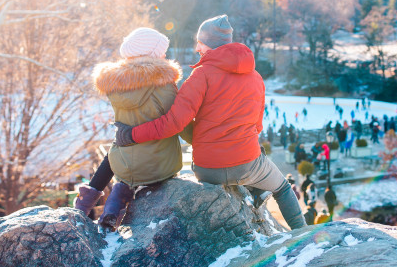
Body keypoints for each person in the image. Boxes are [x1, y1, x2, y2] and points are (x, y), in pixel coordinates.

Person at [114, 15, 306, 230]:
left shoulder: (200, 75)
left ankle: (254, 189)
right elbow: (257, 126)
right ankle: (303, 235)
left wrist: (131, 134)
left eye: (200, 42)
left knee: (253, 168)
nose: (197, 47)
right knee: (282, 188)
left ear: (209, 44)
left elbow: (174, 123)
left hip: (208, 169)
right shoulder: (255, 77)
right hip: (247, 163)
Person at [74, 28, 186, 231]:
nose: (164, 55)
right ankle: (119, 193)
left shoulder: (116, 85)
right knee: (145, 150)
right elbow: (178, 122)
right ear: (151, 54)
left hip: (124, 164)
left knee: (120, 147)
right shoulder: (164, 85)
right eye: (161, 51)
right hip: (159, 166)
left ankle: (114, 200)